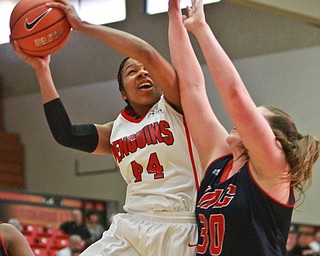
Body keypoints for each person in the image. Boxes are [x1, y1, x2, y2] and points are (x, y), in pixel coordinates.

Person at [11, 0, 202, 255]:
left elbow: (148, 54)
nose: (144, 73)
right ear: (123, 93)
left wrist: (82, 26)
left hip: (180, 224)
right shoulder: (116, 129)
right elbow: (65, 134)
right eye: (133, 72)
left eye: (147, 71)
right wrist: (42, 70)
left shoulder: (177, 105)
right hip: (131, 226)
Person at [168, 0, 320, 255]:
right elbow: (191, 88)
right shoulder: (220, 161)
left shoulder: (273, 167)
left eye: (254, 119)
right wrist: (174, 15)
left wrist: (202, 28)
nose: (240, 121)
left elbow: (235, 95)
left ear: (274, 138)